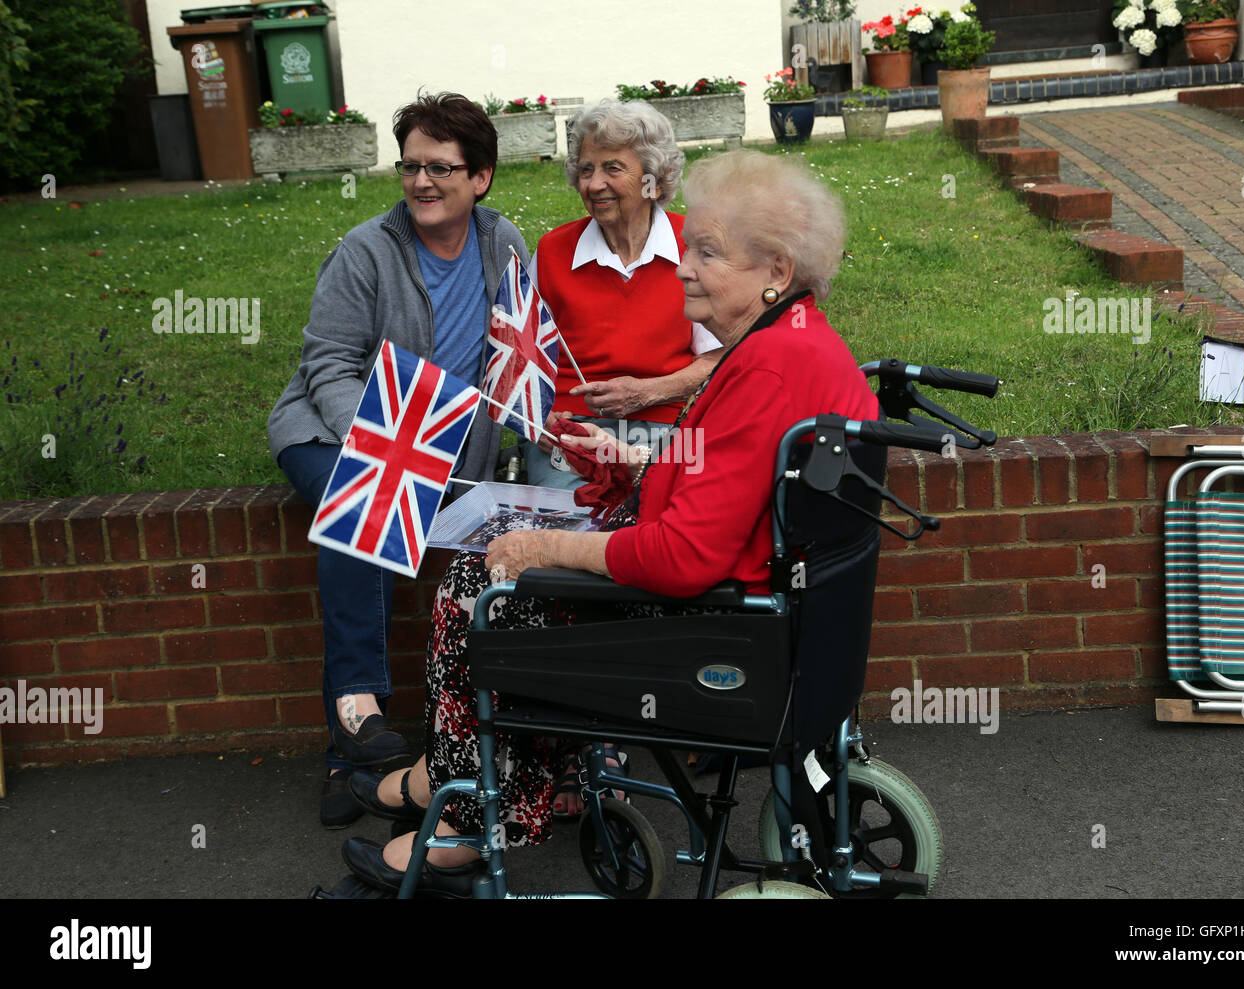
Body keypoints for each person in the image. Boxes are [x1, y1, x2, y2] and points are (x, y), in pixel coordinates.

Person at [338, 149, 880, 896]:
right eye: (690, 246)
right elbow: (730, 473)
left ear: (776, 270)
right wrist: (631, 460)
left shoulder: (766, 365)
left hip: (718, 620)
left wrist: (545, 545)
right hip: (760, 597)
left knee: (478, 584)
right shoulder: (790, 339)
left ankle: (470, 817)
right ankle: (457, 778)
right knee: (495, 573)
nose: (683, 266)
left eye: (708, 252)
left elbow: (684, 556)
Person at [267, 92, 528, 828]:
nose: (421, 182)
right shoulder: (366, 249)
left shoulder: (503, 242)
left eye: (441, 168)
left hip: (443, 446)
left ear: (480, 177)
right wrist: (385, 443)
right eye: (411, 165)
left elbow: (515, 357)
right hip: (331, 431)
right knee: (360, 499)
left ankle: (360, 760)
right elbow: (329, 366)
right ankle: (356, 716)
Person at [523, 99, 724, 491]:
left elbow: (723, 357)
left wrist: (648, 392)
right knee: (573, 526)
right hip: (573, 432)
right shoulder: (553, 252)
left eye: (612, 168)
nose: (593, 184)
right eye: (585, 169)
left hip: (671, 426)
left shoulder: (696, 247)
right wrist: (536, 415)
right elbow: (520, 355)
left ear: (655, 179)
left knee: (682, 511)